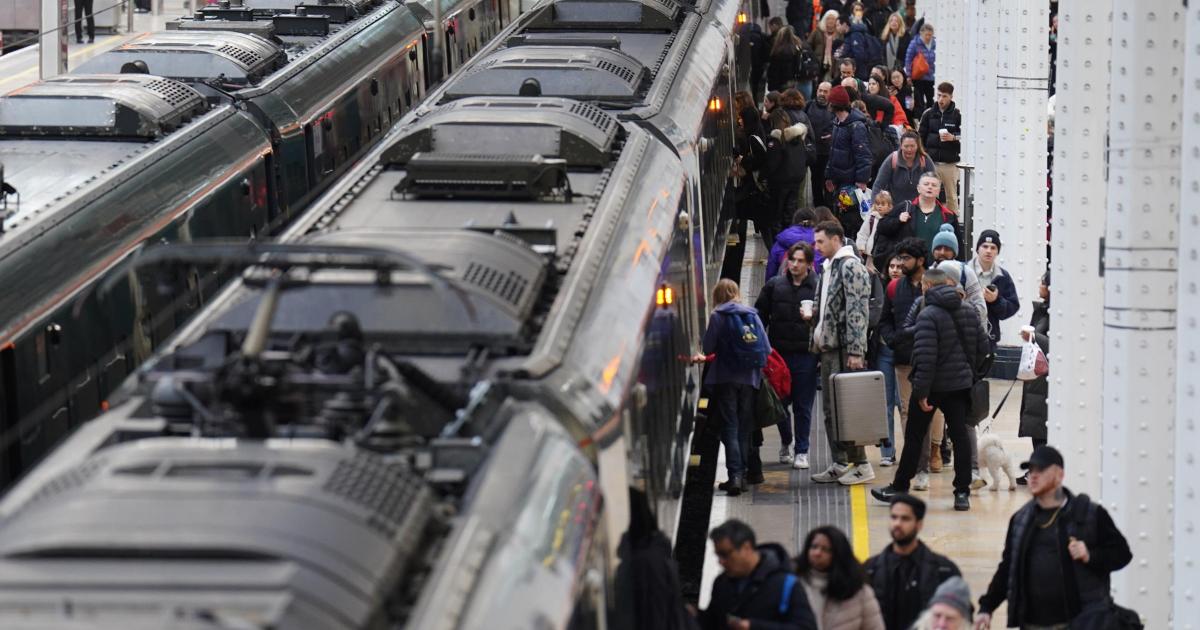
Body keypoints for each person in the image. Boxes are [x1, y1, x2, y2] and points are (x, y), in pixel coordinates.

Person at [871, 267, 990, 511]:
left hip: (932, 387)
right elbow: (983, 347)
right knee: (960, 437)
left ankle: (900, 486)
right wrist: (970, 374)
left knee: (915, 437)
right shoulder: (968, 310)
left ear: (927, 287)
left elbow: (925, 356)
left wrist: (922, 392)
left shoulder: (928, 314)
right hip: (960, 386)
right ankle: (961, 493)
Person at [975, 447, 1133, 629]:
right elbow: (1008, 566)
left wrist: (1090, 555)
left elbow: (1122, 554)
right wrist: (987, 607)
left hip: (1080, 622)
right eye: (1031, 471)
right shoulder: (1020, 519)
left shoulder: (1090, 514)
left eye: (1040, 470)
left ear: (1059, 475)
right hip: (1033, 623)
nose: (1033, 476)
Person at [809, 221, 875, 485]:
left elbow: (858, 309)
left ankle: (861, 463)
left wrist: (857, 351)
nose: (816, 247)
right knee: (830, 408)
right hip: (829, 347)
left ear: (836, 240)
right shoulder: (828, 268)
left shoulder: (850, 267)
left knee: (846, 407)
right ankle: (840, 460)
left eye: (820, 242)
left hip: (846, 349)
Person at [697, 279, 767, 495]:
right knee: (745, 428)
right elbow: (766, 347)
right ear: (736, 293)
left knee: (730, 426)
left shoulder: (718, 316)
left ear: (717, 296)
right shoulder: (752, 314)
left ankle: (734, 476)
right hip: (750, 379)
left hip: (726, 378)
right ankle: (744, 475)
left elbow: (708, 347)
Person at [755, 242, 820, 470]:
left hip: (806, 355)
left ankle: (802, 450)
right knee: (781, 403)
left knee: (803, 405)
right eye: (792, 259)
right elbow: (760, 315)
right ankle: (786, 441)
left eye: (800, 261)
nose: (795, 264)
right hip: (779, 355)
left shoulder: (818, 287)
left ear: (809, 264)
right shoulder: (775, 286)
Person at [877, 238, 935, 486]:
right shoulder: (893, 288)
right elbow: (885, 319)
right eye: (898, 258)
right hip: (903, 359)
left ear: (920, 261)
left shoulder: (933, 286)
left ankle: (923, 465)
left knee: (926, 414)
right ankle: (916, 465)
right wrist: (893, 339)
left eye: (905, 259)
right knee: (907, 413)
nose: (900, 264)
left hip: (929, 361)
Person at [864, 494, 961, 630]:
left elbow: (962, 615)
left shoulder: (944, 571)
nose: (897, 523)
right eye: (894, 517)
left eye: (905, 519)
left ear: (919, 524)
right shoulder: (869, 569)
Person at [701, 520, 819, 630]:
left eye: (725, 554)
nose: (721, 561)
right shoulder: (721, 583)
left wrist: (753, 626)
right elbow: (713, 621)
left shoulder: (785, 584)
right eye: (718, 555)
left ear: (746, 548)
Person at [795, 526, 886, 629]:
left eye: (826, 550)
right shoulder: (793, 583)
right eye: (814, 547)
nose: (817, 553)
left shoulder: (859, 592)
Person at [1016, 270, 1050, 485]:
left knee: (1041, 428)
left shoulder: (1057, 313)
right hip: (1036, 376)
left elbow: (1058, 345)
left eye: (1043, 282)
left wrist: (1034, 336)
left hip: (1046, 379)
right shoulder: (1042, 310)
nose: (1040, 285)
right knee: (1036, 427)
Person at [917, 82, 963, 216]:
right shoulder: (928, 114)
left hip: (950, 163)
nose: (941, 99)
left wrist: (953, 137)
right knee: (929, 193)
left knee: (951, 196)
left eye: (944, 96)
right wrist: (923, 155)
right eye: (939, 95)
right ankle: (929, 218)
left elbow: (964, 136)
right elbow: (920, 136)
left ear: (951, 97)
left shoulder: (957, 115)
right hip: (931, 161)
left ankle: (952, 222)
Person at [970, 230, 1020, 349]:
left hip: (989, 338)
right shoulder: (964, 271)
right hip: (964, 336)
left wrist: (996, 301)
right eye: (985, 246)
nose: (988, 251)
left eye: (993, 248)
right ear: (977, 249)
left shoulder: (1003, 276)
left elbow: (1012, 306)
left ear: (997, 252)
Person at [823, 85, 873, 202]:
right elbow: (833, 153)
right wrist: (829, 176)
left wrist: (861, 180)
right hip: (839, 180)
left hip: (851, 183)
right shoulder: (837, 123)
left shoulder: (856, 126)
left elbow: (864, 155)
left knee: (848, 216)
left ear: (834, 104)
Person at [872, 131, 935, 212]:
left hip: (919, 209)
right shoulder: (892, 159)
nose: (909, 149)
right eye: (906, 146)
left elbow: (935, 181)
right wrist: (874, 206)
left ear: (917, 146)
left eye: (912, 146)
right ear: (901, 146)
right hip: (894, 208)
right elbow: (878, 185)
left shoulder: (925, 159)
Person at [767, 207, 826, 279]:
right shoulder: (821, 242)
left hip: (784, 285)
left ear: (794, 221)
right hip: (813, 286)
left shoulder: (781, 241)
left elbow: (771, 271)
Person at [806, 82, 837, 205]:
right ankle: (818, 205)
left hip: (829, 153)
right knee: (815, 180)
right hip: (813, 151)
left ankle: (829, 206)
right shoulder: (809, 106)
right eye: (820, 91)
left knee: (828, 181)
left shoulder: (834, 108)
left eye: (825, 91)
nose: (822, 94)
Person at [855, 190, 892, 274]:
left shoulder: (891, 220)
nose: (879, 206)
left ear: (889, 206)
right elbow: (863, 233)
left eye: (883, 204)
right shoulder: (871, 218)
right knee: (869, 273)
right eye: (877, 204)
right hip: (871, 254)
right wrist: (860, 247)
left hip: (884, 254)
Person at [904, 21, 936, 116]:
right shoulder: (915, 43)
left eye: (930, 35)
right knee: (919, 100)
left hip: (931, 77)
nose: (928, 37)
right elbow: (908, 59)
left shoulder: (935, 43)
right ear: (921, 33)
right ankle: (920, 118)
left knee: (931, 99)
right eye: (926, 35)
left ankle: (931, 117)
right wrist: (908, 75)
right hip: (919, 77)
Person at [809, 11, 842, 83]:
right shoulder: (817, 32)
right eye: (828, 19)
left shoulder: (840, 34)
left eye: (833, 19)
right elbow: (808, 45)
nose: (830, 21)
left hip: (834, 64)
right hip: (819, 62)